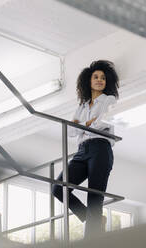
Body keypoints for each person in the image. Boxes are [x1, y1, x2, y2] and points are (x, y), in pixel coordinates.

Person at [52, 60, 119, 237]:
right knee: (58, 188)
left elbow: (101, 124)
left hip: (101, 148)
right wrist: (87, 123)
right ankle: (89, 218)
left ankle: (91, 240)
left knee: (95, 198)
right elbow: (71, 131)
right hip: (82, 151)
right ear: (88, 81)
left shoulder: (109, 100)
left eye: (103, 78)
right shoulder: (82, 106)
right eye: (95, 77)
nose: (99, 80)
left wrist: (85, 124)